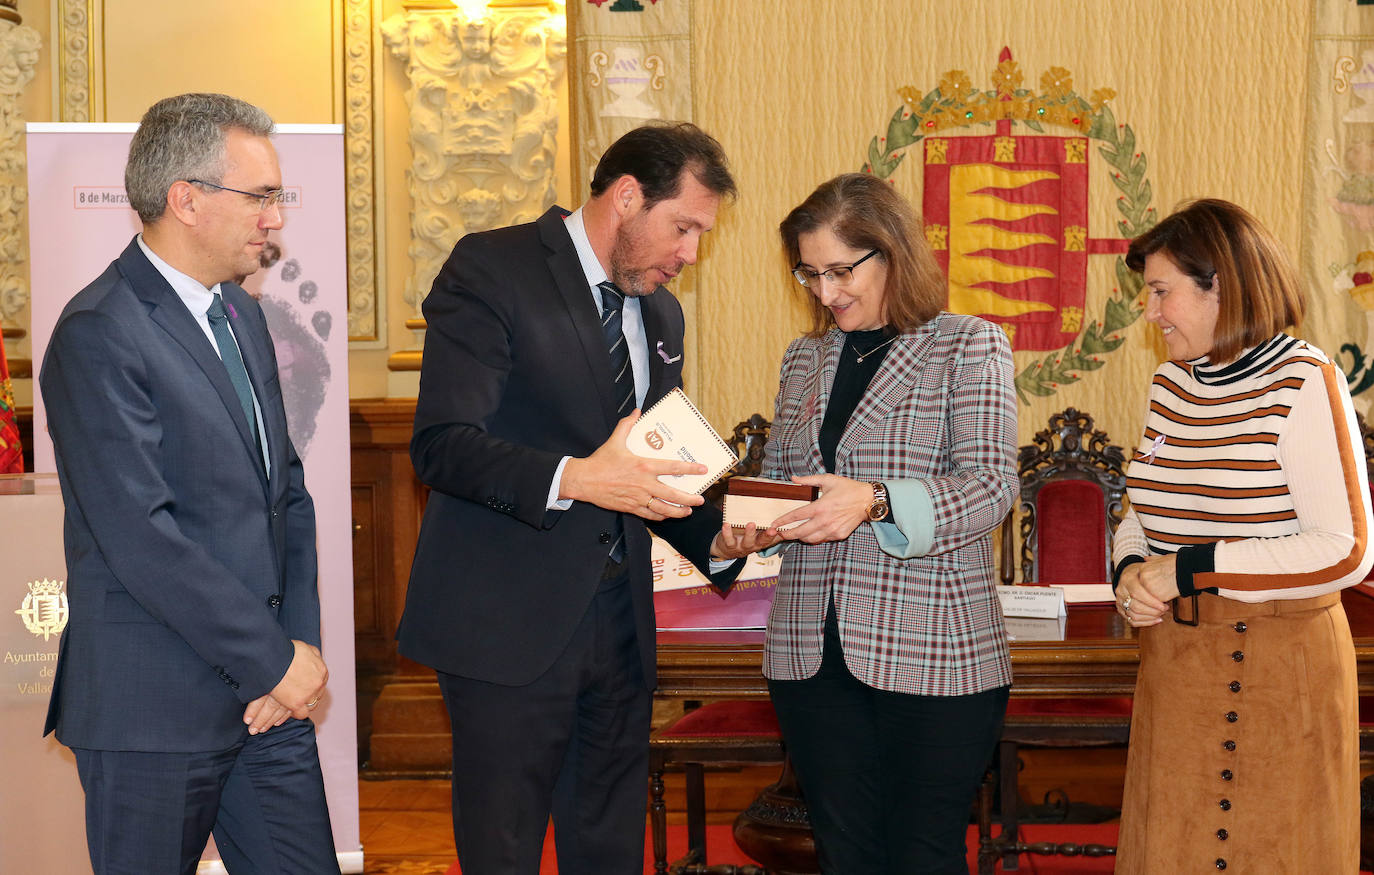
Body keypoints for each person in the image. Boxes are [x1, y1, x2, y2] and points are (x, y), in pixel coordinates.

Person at [397, 122, 771, 874]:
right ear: (627, 197)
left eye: (700, 233)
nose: (690, 253)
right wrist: (573, 476)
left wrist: (720, 539)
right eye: (684, 227)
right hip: (506, 626)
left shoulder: (662, 312)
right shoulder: (492, 267)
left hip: (621, 630)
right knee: (502, 850)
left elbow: (654, 464)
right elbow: (442, 443)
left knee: (607, 850)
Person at [39, 93, 338, 874]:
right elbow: (144, 537)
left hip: (268, 710)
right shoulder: (100, 329)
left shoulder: (239, 317)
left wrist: (295, 649)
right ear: (187, 200)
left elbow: (288, 500)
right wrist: (273, 659)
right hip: (153, 710)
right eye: (262, 195)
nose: (275, 216)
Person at [759, 172, 1019, 872]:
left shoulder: (968, 345)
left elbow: (992, 485)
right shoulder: (803, 358)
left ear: (894, 253)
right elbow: (787, 478)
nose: (825, 291)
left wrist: (874, 499)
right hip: (811, 651)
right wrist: (747, 524)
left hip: (934, 647)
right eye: (809, 273)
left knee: (922, 855)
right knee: (847, 854)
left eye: (841, 269)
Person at [1112, 198, 1374, 872]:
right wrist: (1131, 571)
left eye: (1162, 291)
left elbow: (1346, 547)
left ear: (1220, 286)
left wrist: (1187, 569)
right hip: (1177, 668)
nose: (1151, 311)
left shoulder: (1303, 380)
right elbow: (1142, 505)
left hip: (1281, 677)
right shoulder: (1170, 383)